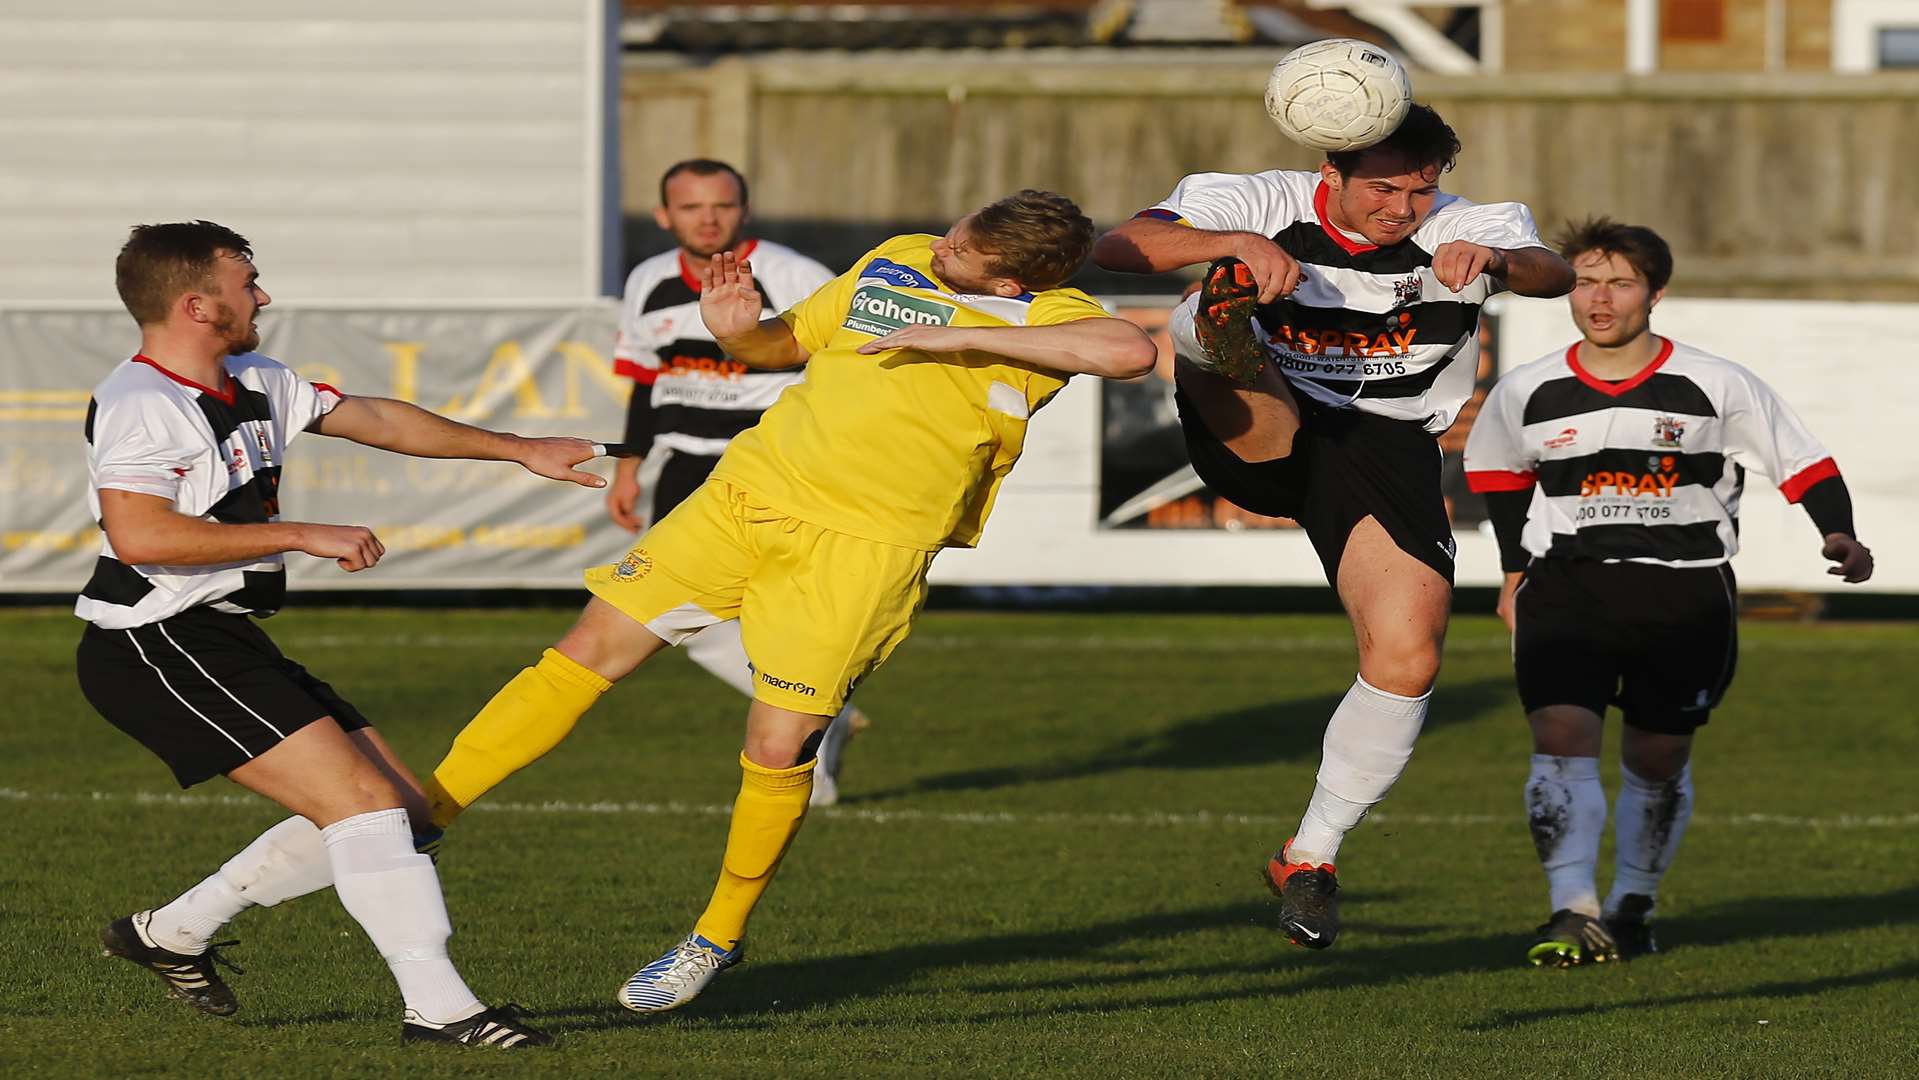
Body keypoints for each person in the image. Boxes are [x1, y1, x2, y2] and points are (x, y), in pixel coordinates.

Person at [421, 189, 1157, 1012]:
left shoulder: (1053, 317)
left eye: (960, 255)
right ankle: (424, 816)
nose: (940, 252)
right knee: (583, 652)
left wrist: (964, 332)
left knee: (777, 747)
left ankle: (716, 937)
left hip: (867, 546)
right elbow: (786, 345)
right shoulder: (899, 255)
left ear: (1012, 285)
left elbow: (1128, 351)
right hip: (746, 495)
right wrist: (740, 332)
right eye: (951, 235)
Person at [79, 221, 606, 1046]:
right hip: (153, 643)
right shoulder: (144, 404)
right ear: (195, 304)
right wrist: (300, 533)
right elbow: (140, 536)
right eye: (246, 281)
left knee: (407, 810)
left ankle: (172, 932)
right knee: (363, 807)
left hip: (220, 636)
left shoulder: (254, 376)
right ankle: (441, 1009)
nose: (264, 295)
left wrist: (519, 449)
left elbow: (381, 422)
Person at [1092, 104, 1575, 951]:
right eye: (1381, 189)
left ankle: (1308, 858)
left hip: (1384, 444)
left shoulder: (1474, 223)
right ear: (1331, 177)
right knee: (1221, 305)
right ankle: (1216, 328)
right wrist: (1229, 246)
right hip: (1261, 420)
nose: (1401, 209)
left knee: (1409, 656)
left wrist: (1498, 261)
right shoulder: (1257, 198)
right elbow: (1117, 246)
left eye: (1418, 191)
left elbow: (1551, 272)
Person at [1463, 219, 1873, 966]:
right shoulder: (1528, 389)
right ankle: (1570, 909)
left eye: (1619, 282)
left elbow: (1804, 463)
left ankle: (1632, 905)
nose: (1599, 299)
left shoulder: (1717, 383)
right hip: (1567, 588)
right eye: (1586, 281)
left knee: (1657, 759)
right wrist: (1513, 573)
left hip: (1684, 597)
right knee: (1559, 741)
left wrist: (1838, 533)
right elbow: (1498, 478)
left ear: (1657, 293)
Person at [598, 159, 866, 806]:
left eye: (721, 205)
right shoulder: (648, 280)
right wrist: (629, 466)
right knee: (678, 618)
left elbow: (853, 359)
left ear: (743, 210)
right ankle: (816, 713)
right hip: (688, 469)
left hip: (777, 465)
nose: (707, 218)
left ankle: (807, 747)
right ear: (665, 216)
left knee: (783, 613)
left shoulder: (795, 275)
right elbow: (644, 378)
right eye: (691, 207)